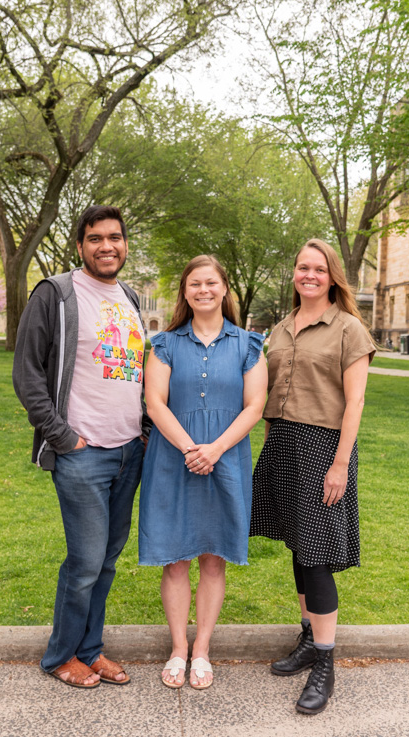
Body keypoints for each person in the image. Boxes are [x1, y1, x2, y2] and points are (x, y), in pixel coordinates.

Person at [12, 205, 150, 689]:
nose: (106, 246)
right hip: (82, 453)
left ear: (125, 244)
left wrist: (145, 431)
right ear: (80, 245)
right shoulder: (57, 294)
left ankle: (90, 651)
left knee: (107, 560)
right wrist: (61, 435)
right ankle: (59, 656)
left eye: (115, 237)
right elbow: (26, 373)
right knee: (86, 560)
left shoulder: (129, 297)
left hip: (129, 451)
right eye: (95, 238)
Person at [251, 238, 375, 715]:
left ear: (332, 276)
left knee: (318, 552)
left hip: (324, 447)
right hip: (282, 444)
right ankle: (307, 638)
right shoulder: (281, 329)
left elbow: (356, 401)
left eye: (318, 269)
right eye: (302, 267)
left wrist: (340, 463)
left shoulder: (348, 329)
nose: (309, 275)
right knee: (299, 547)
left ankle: (325, 661)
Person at [140, 255, 267, 690]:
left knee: (214, 558)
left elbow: (255, 406)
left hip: (226, 459)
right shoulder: (164, 344)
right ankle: (178, 647)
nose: (203, 290)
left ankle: (202, 651)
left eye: (211, 282)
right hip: (172, 460)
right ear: (185, 292)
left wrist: (213, 449)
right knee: (175, 560)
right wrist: (191, 448)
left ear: (224, 288)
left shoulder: (249, 344)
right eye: (194, 284)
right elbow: (154, 402)